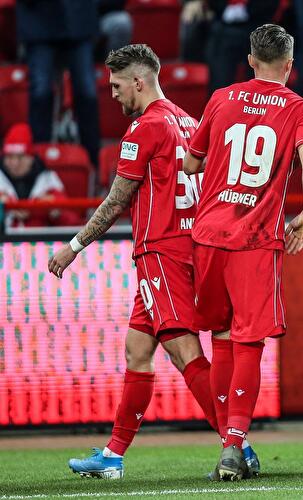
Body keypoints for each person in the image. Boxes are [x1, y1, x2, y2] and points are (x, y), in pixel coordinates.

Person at [48, 44, 224, 479]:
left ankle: (237, 443)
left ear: (139, 82)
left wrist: (74, 245)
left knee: (184, 352)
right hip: (189, 247)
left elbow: (116, 202)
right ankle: (113, 455)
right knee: (137, 350)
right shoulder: (189, 120)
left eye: (117, 85)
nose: (112, 95)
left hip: (161, 252)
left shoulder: (145, 127)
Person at [183, 24, 303, 481]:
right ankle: (234, 444)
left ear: (249, 60)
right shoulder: (297, 106)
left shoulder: (221, 98)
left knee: (221, 339)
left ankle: (229, 443)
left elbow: (191, 161)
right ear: (289, 65)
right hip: (254, 239)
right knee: (248, 343)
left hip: (208, 235)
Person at [15, 0, 100, 165]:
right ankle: (38, 163)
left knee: (87, 92)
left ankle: (93, 165)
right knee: (41, 92)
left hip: (79, 19)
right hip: (37, 20)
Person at [0, 123, 70, 227]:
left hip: (40, 240)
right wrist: (3, 207)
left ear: (31, 158)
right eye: (9, 157)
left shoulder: (48, 178)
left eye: (20, 157)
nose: (14, 163)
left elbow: (71, 221)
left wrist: (54, 210)